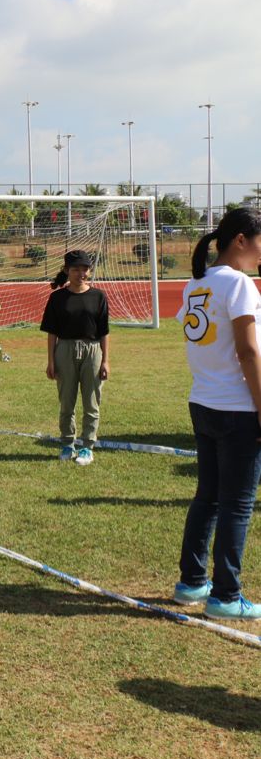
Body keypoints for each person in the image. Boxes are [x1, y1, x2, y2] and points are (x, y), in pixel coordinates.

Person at [173, 207, 261, 621]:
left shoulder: (198, 281)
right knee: (237, 504)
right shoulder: (240, 284)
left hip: (203, 401)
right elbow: (248, 352)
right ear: (241, 240)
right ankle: (226, 594)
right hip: (237, 408)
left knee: (207, 497)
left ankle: (192, 582)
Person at [40, 250, 110, 465]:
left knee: (91, 402)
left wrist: (105, 360)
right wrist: (51, 360)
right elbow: (52, 332)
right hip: (65, 350)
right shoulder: (57, 297)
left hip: (92, 351)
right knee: (66, 402)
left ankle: (87, 447)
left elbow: (104, 332)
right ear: (66, 271)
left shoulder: (98, 296)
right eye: (75, 269)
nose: (81, 273)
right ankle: (67, 444)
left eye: (84, 269)